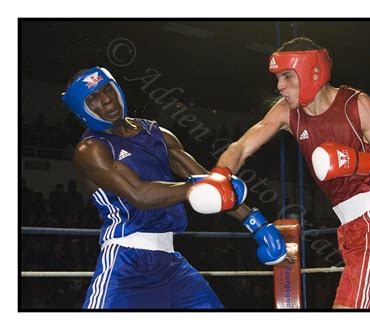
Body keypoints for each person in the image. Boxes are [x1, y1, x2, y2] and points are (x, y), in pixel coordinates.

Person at [215, 37, 370, 309]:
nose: (279, 86)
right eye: (277, 78)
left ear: (312, 72)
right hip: (351, 227)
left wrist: (355, 162)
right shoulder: (287, 112)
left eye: (286, 77)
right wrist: (220, 174)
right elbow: (242, 145)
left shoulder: (357, 105)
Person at [61, 66, 286, 309]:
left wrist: (256, 223)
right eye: (92, 98)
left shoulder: (157, 134)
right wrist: (195, 190)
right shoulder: (92, 150)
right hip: (126, 262)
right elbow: (141, 194)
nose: (105, 100)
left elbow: (209, 182)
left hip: (171, 265)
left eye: (107, 90)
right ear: (81, 109)